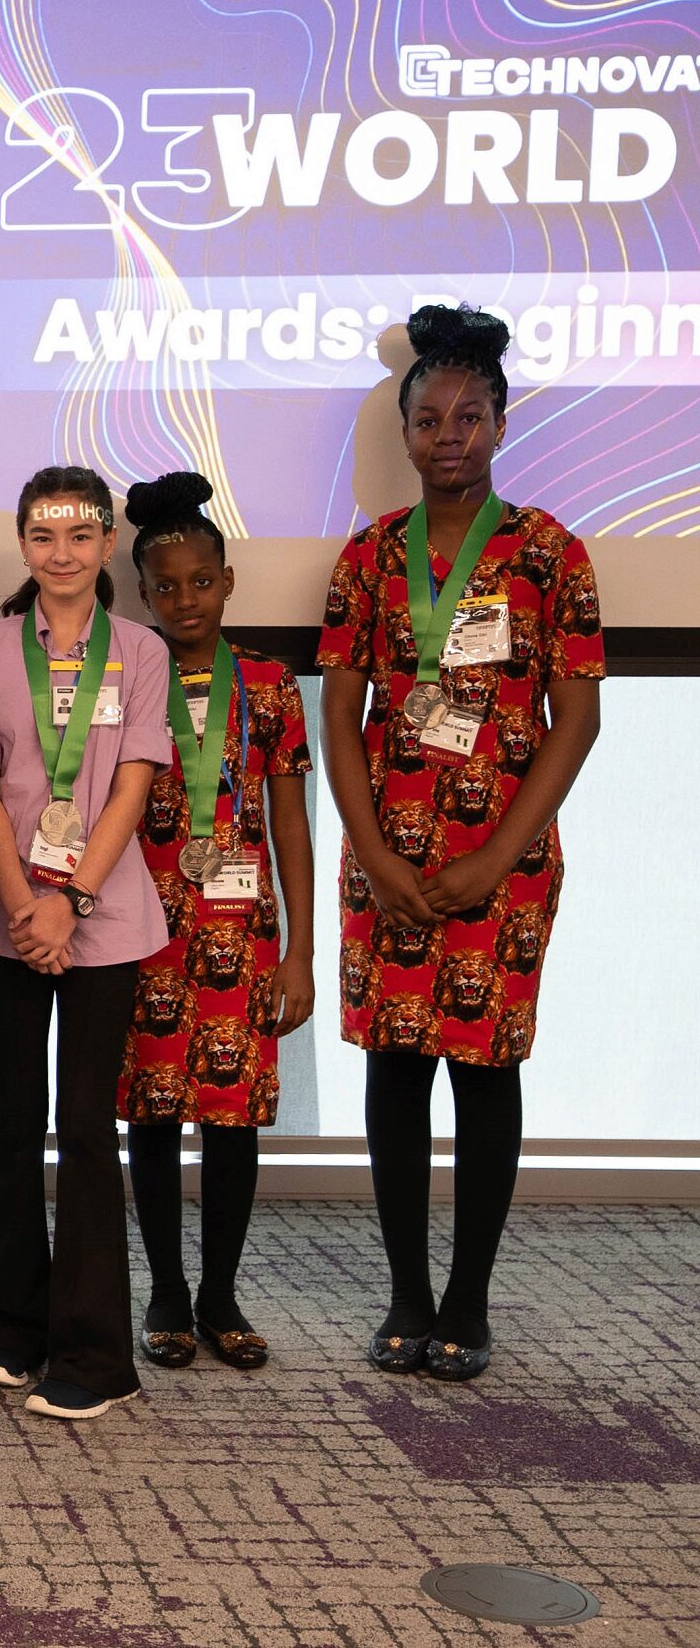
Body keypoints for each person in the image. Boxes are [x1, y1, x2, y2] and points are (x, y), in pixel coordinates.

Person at [318, 304, 603, 1383]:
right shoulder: (369, 555)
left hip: (504, 858)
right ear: (404, 432)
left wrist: (491, 858)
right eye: (429, 417)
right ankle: (403, 1294)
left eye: (469, 415)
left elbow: (574, 719)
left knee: (484, 1071)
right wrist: (377, 855)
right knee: (396, 1066)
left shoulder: (549, 553)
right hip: (385, 855)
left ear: (498, 423)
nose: (449, 434)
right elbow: (338, 714)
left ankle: (468, 1300)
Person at [0, 467, 169, 1421]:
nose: (63, 553)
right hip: (7, 916)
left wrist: (68, 900)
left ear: (108, 541)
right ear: (25, 543)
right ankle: (6, 1328)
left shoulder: (144, 651)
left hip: (103, 920)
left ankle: (95, 1356)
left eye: (81, 535)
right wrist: (19, 902)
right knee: (10, 1115)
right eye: (45, 536)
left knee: (83, 1127)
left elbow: (131, 788)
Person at [115, 475, 314, 1374]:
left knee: (233, 1118)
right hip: (142, 932)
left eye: (201, 581)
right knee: (153, 1114)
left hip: (245, 932)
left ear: (228, 582)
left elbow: (292, 824)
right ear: (143, 593)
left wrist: (302, 950)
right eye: (166, 586)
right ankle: (163, 1289)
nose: (184, 599)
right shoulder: (123, 680)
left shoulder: (270, 686)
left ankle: (222, 1290)